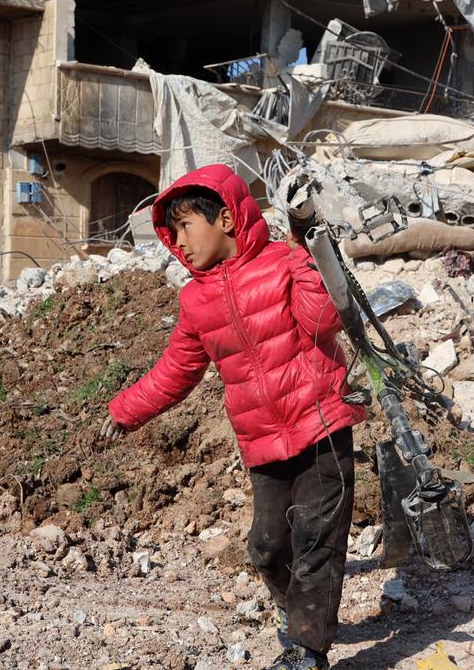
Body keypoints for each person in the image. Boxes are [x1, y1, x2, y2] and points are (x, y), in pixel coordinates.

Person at [100, 164, 367, 669]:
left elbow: (324, 321)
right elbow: (176, 370)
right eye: (172, 231)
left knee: (315, 539)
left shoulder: (284, 262)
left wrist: (310, 255)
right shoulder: (196, 300)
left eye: (185, 227)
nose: (179, 242)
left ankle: (309, 651)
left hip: (320, 426)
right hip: (263, 442)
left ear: (225, 219)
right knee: (268, 546)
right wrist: (126, 409)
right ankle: (301, 619)